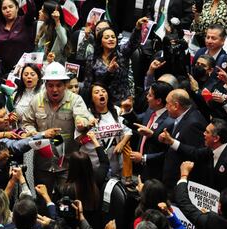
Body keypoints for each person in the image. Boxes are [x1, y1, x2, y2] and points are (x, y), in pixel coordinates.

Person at [22, 62, 94, 192]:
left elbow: (82, 117)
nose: (54, 89)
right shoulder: (36, 100)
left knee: (67, 202)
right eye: (50, 85)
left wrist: (82, 123)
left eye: (58, 85)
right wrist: (38, 134)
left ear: (65, 85)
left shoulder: (75, 100)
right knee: (43, 201)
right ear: (45, 85)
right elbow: (26, 123)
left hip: (68, 165)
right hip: (43, 164)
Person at [159, 118, 227, 191]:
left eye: (207, 132)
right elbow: (194, 153)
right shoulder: (213, 147)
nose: (203, 134)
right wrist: (171, 141)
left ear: (216, 138)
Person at [82, 17, 148, 106]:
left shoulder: (122, 53)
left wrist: (138, 27)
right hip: (100, 102)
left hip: (122, 102)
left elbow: (133, 43)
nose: (111, 39)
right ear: (101, 42)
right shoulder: (92, 58)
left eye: (113, 37)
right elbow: (88, 84)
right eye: (107, 37)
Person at [80, 83, 132, 177]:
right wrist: (86, 127)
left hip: (115, 165)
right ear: (91, 98)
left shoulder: (116, 111)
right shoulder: (87, 115)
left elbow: (128, 131)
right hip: (94, 166)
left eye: (103, 91)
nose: (101, 94)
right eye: (97, 92)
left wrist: (122, 143)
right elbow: (79, 140)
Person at [162, 89, 207, 196]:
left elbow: (196, 154)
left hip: (181, 184)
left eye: (167, 103)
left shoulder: (194, 123)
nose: (165, 107)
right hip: (172, 179)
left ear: (176, 106)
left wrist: (172, 142)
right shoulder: (184, 117)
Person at [0, 0, 36, 74]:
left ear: (17, 8)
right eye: (4, 8)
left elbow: (31, 10)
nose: (8, 10)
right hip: (4, 71)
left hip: (24, 69)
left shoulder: (25, 21)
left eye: (11, 7)